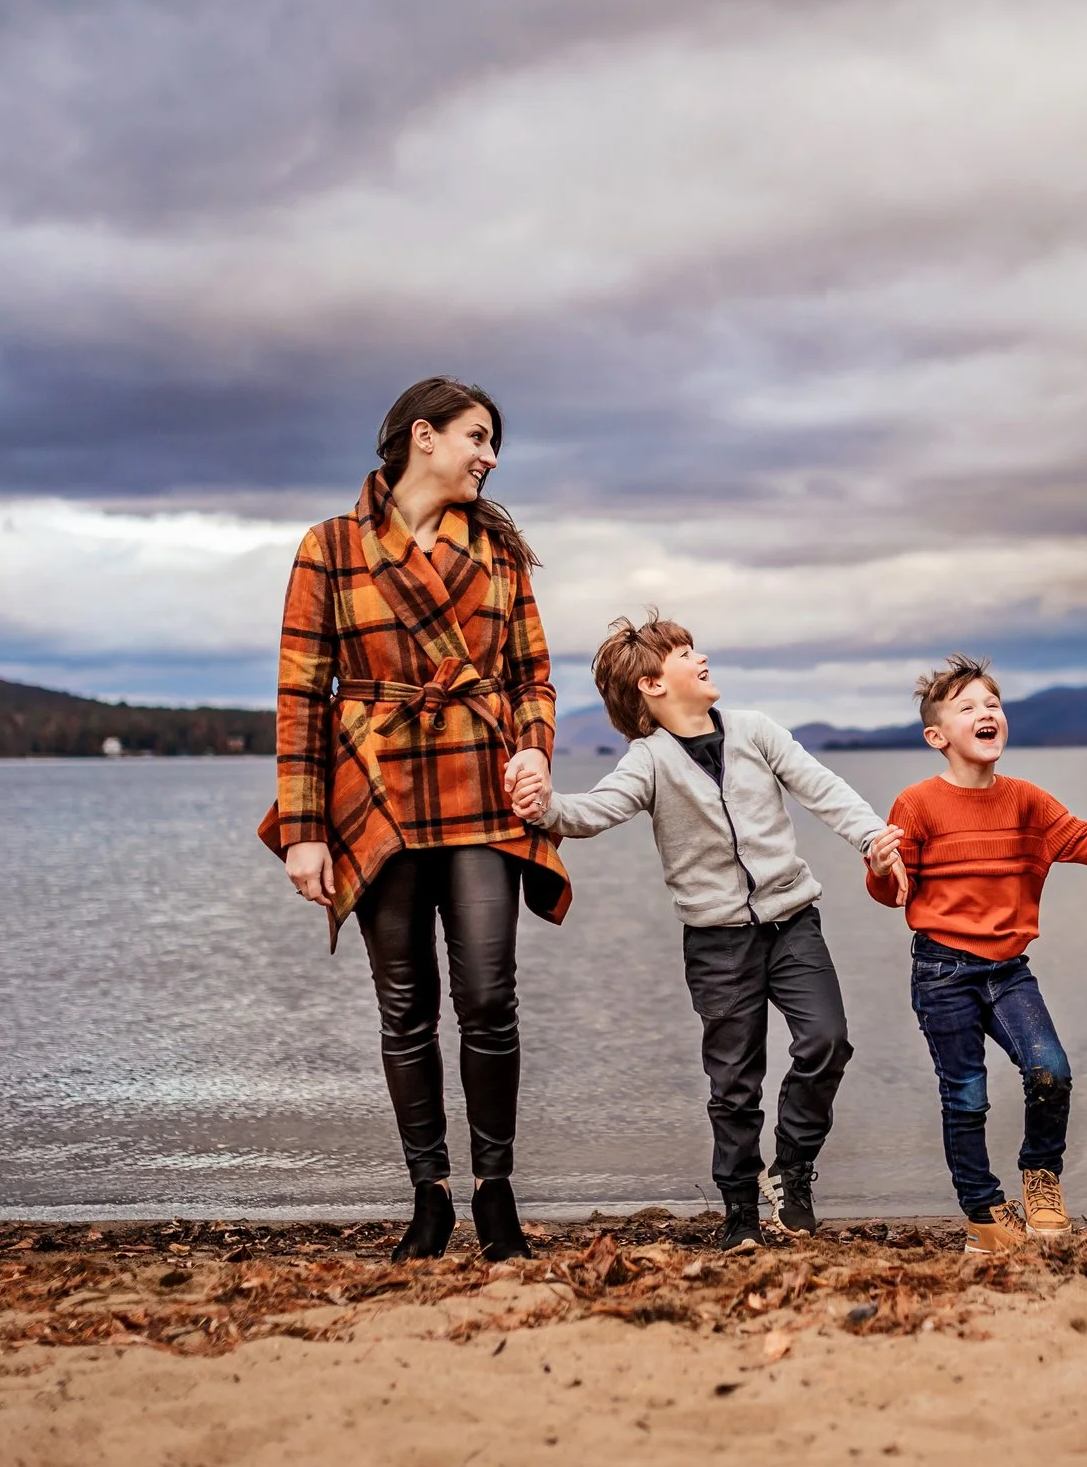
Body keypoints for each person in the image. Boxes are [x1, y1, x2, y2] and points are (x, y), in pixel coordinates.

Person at [258, 377, 569, 1265]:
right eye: (478, 436)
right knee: (406, 1007)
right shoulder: (329, 546)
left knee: (489, 998)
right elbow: (299, 694)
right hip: (376, 787)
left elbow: (532, 677)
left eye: (494, 442)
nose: (490, 457)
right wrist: (304, 827)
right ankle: (429, 1197)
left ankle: (496, 1194)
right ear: (423, 436)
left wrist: (536, 751)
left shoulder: (498, 552)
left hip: (480, 782)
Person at [508, 614, 905, 1252]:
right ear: (652, 685)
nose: (700, 658)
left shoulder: (756, 730)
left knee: (827, 1040)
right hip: (718, 943)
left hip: (793, 921)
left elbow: (823, 788)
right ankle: (740, 1208)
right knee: (735, 1083)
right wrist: (545, 807)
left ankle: (792, 1167)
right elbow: (595, 810)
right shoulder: (648, 761)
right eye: (685, 653)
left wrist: (872, 837)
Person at [867, 656, 1087, 1255]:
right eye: (968, 707)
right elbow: (895, 892)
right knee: (966, 1094)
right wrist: (877, 866)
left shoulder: (1027, 801)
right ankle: (983, 1213)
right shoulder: (916, 804)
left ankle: (1041, 1177)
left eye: (993, 704)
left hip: (1008, 972)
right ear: (937, 737)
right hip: (943, 970)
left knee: (1051, 1071)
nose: (987, 713)